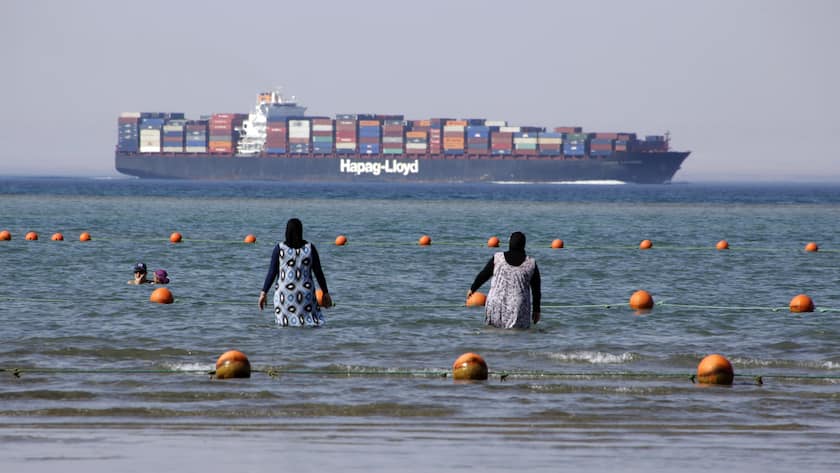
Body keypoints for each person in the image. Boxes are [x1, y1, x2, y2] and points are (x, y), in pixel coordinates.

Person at [258, 218, 332, 326]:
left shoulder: (279, 248)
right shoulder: (310, 248)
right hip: (305, 296)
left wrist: (263, 293)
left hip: (284, 296)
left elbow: (272, 272)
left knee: (284, 325)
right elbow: (318, 273)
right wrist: (325, 293)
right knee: (311, 323)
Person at [468, 231, 541, 328]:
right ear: (524, 245)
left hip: (495, 305)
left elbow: (484, 275)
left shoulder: (498, 258)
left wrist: (472, 289)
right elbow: (536, 290)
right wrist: (536, 310)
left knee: (493, 335)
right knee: (517, 338)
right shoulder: (531, 263)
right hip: (517, 308)